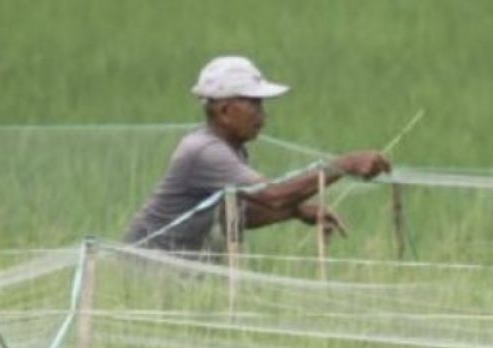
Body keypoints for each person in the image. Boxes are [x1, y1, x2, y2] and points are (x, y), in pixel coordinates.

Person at [124, 56, 392, 252]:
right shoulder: (206, 152)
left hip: (174, 268)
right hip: (147, 264)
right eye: (253, 104)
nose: (262, 115)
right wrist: (344, 165)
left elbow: (239, 215)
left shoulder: (232, 149)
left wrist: (296, 213)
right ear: (226, 111)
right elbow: (272, 196)